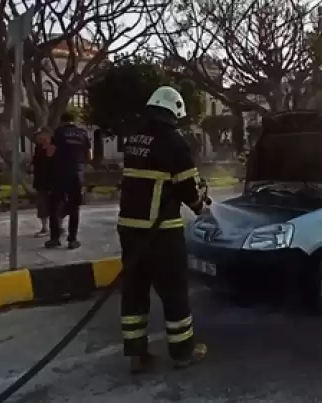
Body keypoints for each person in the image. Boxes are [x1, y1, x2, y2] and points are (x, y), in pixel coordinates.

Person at [118, 86, 209, 373]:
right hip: (161, 232)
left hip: (129, 230)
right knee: (174, 292)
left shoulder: (134, 138)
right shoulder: (173, 142)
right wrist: (200, 206)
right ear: (174, 112)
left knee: (134, 292)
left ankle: (137, 354)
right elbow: (187, 188)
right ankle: (183, 351)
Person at [45, 112, 91, 249]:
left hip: (59, 174)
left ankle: (54, 238)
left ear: (61, 121)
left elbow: (50, 153)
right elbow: (89, 155)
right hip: (76, 173)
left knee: (54, 206)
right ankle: (72, 240)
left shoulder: (59, 132)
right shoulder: (82, 133)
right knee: (74, 207)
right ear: (74, 120)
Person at [30, 128, 59, 237]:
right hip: (40, 181)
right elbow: (36, 163)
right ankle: (44, 227)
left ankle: (58, 227)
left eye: (40, 136)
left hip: (54, 181)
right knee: (42, 205)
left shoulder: (55, 145)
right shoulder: (38, 148)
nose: (38, 138)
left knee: (56, 205)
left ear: (47, 135)